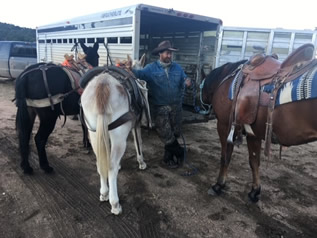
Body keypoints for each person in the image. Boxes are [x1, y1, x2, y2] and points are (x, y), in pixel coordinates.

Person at [132, 40, 191, 169]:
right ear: (160, 54)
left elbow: (185, 77)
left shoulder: (177, 68)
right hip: (159, 107)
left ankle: (167, 159)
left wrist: (187, 80)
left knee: (174, 133)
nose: (169, 56)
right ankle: (181, 153)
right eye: (167, 53)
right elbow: (138, 74)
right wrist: (127, 69)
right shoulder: (150, 69)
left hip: (176, 107)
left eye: (170, 53)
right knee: (166, 134)